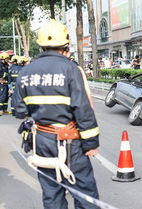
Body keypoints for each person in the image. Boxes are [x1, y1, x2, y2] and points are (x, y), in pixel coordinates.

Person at [13, 19, 100, 209]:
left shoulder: (26, 71)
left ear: (41, 45)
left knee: (52, 194)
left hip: (42, 141)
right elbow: (83, 109)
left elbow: (19, 111)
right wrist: (91, 143)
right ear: (65, 46)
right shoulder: (70, 69)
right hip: (70, 142)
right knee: (85, 193)